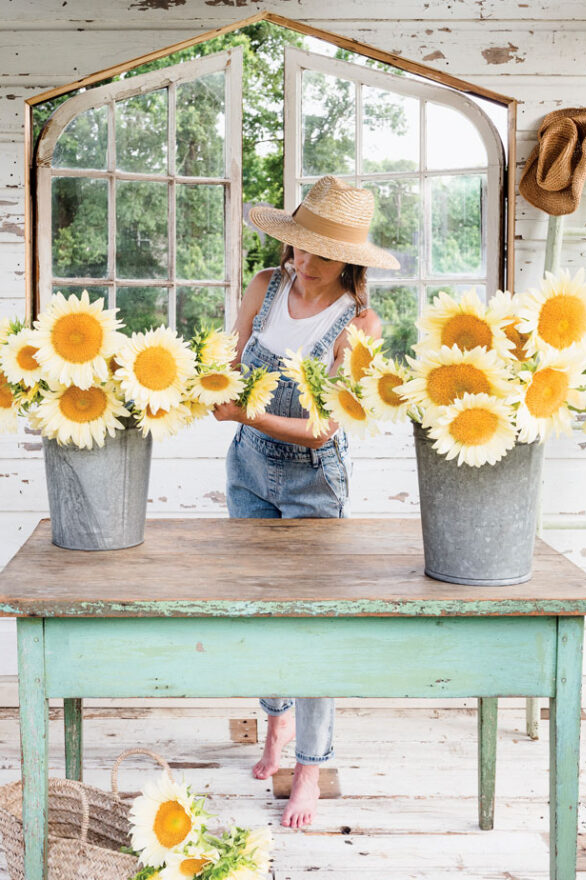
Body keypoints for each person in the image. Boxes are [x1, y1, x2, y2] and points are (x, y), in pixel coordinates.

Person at [213, 175, 399, 829]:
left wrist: (245, 412)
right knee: (261, 613)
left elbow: (325, 428)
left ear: (348, 260)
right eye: (297, 245)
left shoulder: (360, 324)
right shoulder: (266, 287)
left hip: (314, 481)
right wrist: (210, 386)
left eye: (318, 252)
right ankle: (275, 723)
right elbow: (233, 359)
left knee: (315, 625)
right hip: (248, 474)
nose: (301, 261)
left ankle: (312, 767)